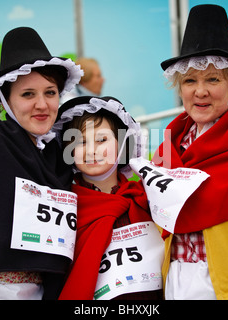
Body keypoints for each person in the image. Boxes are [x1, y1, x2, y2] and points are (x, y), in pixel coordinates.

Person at [151, 4, 228, 300]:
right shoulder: (168, 146)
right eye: (190, 81)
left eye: (213, 79)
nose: (199, 91)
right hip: (174, 284)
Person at [0, 27, 83, 300]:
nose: (42, 104)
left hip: (43, 292)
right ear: (6, 101)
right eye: (28, 94)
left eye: (50, 92)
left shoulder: (58, 153)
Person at [54, 96, 165, 300]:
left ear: (122, 143)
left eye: (101, 140)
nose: (91, 150)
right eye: (80, 142)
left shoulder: (146, 197)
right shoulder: (62, 207)